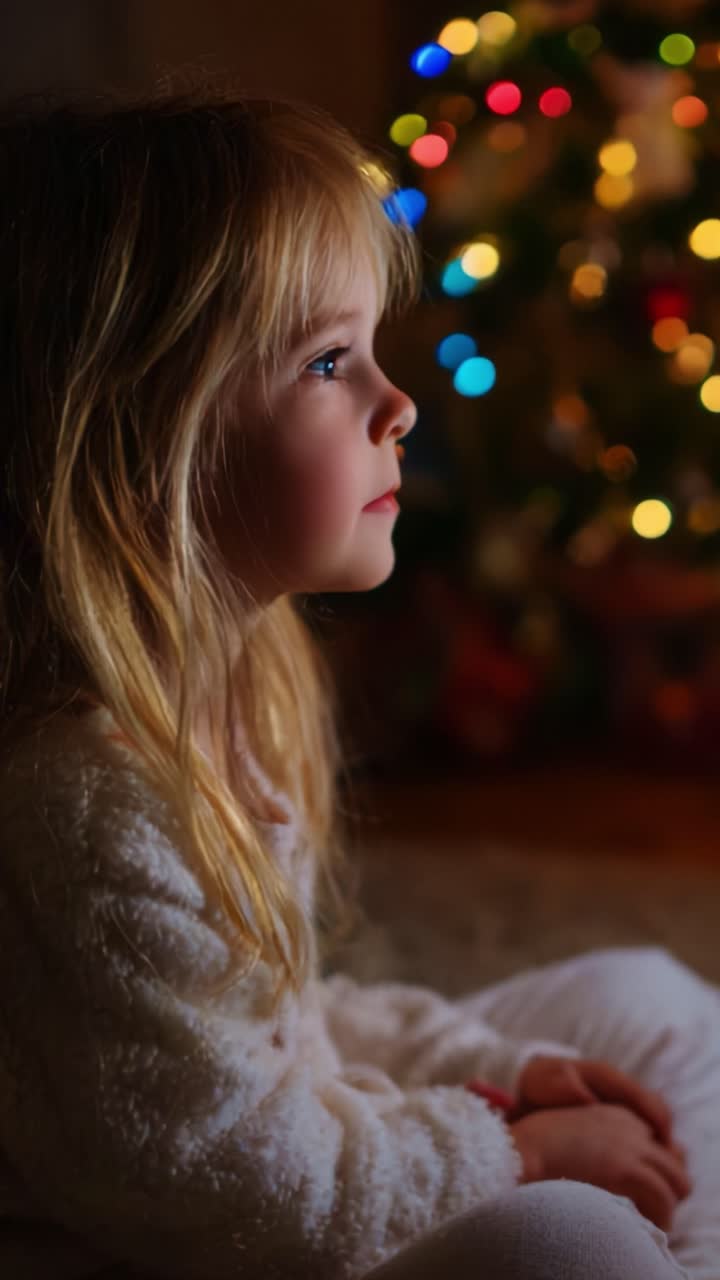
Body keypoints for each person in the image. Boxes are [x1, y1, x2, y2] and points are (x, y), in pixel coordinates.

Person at [0, 76, 716, 1280]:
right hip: (191, 1245)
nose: (399, 402)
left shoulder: (216, 696)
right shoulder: (83, 801)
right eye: (331, 361)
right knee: (570, 1240)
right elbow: (246, 1176)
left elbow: (291, 1040)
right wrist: (518, 1147)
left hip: (288, 1184)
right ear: (144, 443)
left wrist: (499, 1068)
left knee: (646, 993)